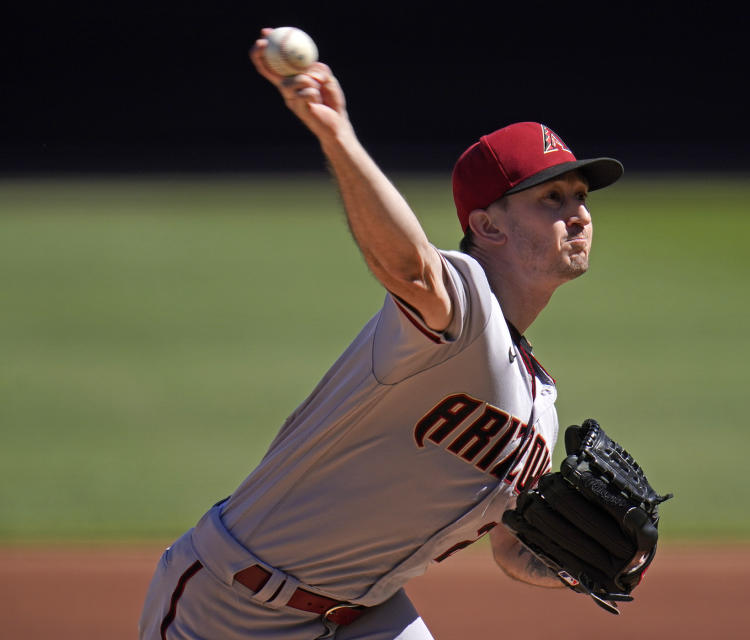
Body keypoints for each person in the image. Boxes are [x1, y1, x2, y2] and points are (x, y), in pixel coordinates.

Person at [138, 28, 623, 640]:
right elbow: (409, 267)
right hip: (237, 607)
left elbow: (511, 548)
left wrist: (583, 567)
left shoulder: (541, 407)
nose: (577, 212)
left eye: (580, 196)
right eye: (551, 197)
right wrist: (336, 135)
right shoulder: (463, 304)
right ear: (487, 225)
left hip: (370, 615)